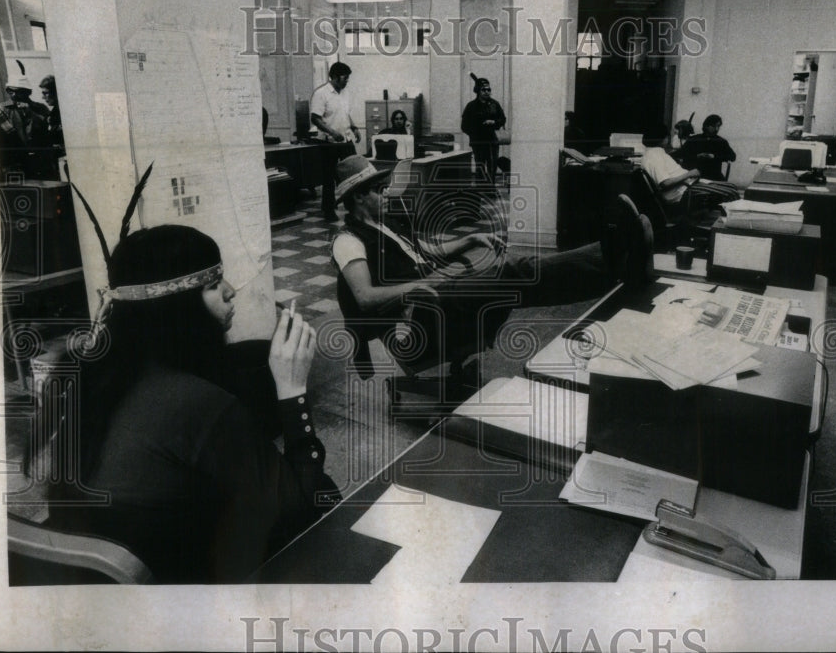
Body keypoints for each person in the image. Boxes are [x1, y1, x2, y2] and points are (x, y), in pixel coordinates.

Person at [38, 220, 340, 584]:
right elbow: (299, 510)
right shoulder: (196, 404)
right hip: (182, 589)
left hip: (106, 570)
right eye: (213, 285)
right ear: (176, 307)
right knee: (321, 491)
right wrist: (293, 390)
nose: (231, 292)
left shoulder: (94, 374)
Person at [330, 156, 653, 374]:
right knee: (507, 274)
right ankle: (613, 261)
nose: (387, 195)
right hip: (413, 321)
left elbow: (428, 252)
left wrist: (471, 239)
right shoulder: (348, 240)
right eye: (379, 191)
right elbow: (365, 298)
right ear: (359, 197)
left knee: (513, 270)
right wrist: (416, 286)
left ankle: (614, 258)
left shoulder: (388, 224)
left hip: (435, 297)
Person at [640, 124, 739, 217]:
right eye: (667, 136)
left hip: (687, 185)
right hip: (683, 192)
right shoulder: (654, 156)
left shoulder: (654, 153)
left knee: (731, 186)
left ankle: (730, 223)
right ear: (663, 139)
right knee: (730, 193)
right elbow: (665, 183)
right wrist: (689, 174)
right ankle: (732, 226)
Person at [310, 62, 361, 221]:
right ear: (335, 77)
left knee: (352, 174)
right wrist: (332, 132)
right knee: (329, 178)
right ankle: (328, 210)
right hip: (328, 142)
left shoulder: (344, 93)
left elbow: (345, 114)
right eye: (345, 78)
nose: (347, 81)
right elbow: (315, 119)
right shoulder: (321, 94)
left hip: (345, 140)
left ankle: (351, 206)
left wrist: (354, 127)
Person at [0, 76, 53, 178]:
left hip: (41, 163)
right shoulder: (1, 110)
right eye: (10, 91)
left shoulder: (41, 109)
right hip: (15, 165)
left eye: (18, 91)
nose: (13, 95)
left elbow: (48, 130)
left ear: (27, 93)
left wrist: (30, 112)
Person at [461, 75, 506, 184]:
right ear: (477, 91)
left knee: (492, 165)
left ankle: (491, 188)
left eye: (488, 89)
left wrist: (494, 122)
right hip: (478, 141)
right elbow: (464, 126)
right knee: (480, 166)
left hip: (492, 140)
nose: (487, 92)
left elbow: (503, 119)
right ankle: (480, 189)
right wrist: (476, 131)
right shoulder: (471, 106)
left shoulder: (495, 104)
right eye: (483, 90)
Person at [678, 114, 736, 181]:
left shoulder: (721, 141)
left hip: (714, 176)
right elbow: (681, 154)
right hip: (694, 176)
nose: (717, 129)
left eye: (718, 126)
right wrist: (697, 156)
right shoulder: (694, 139)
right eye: (714, 126)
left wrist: (714, 156)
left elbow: (733, 156)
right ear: (706, 126)